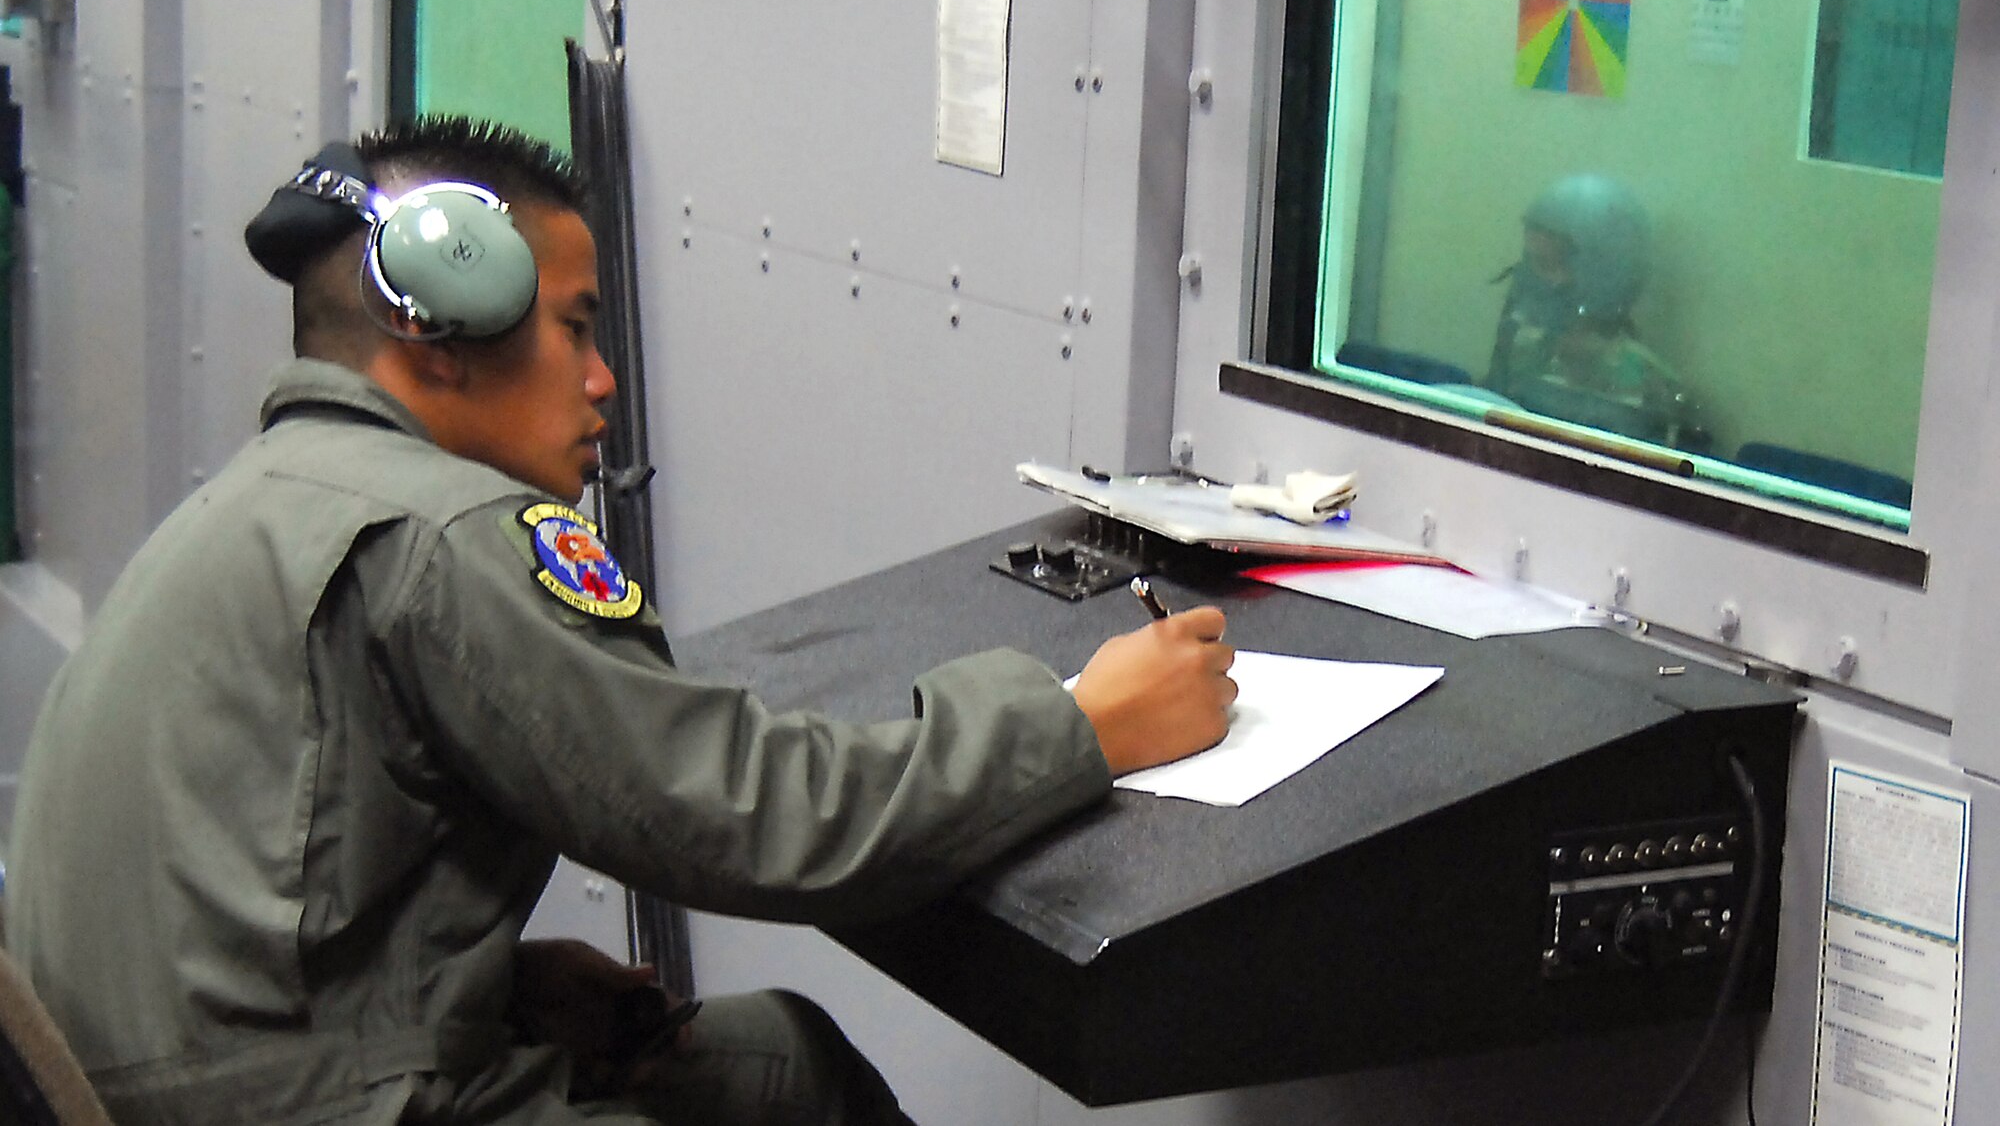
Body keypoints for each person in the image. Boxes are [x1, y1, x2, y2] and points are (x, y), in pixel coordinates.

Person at [4, 116, 1239, 1125]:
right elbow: (753, 822)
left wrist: (498, 989)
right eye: (574, 326)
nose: (601, 380)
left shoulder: (262, 503)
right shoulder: (443, 536)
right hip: (301, 1105)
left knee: (776, 1059)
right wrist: (1084, 722)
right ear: (439, 319)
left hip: (196, 1083)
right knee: (796, 1085)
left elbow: (264, 910)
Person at [1485, 174, 1706, 448]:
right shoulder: (1521, 353)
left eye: (1547, 266)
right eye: (1530, 264)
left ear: (1604, 274)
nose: (1528, 282)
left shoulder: (1658, 395)